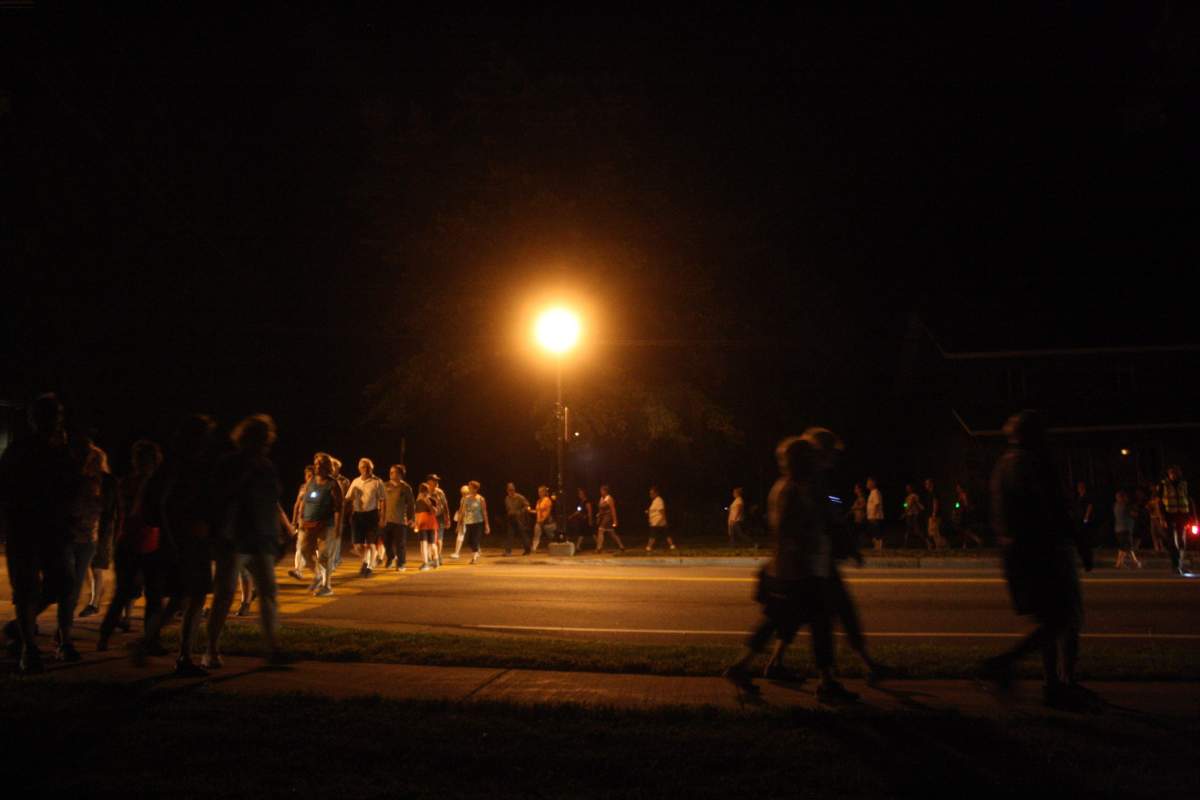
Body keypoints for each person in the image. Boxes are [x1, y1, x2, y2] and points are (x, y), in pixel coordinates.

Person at [723, 434, 857, 703]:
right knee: (818, 624)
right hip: (796, 572)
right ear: (800, 460)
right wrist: (810, 546)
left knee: (777, 622)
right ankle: (826, 683)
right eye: (809, 458)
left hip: (788, 571)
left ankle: (740, 668)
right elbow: (788, 530)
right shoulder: (791, 489)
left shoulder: (788, 486)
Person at [980, 410, 1099, 711]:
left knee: (1049, 620)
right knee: (1065, 618)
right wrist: (1079, 541)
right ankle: (1021, 668)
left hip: (1019, 554)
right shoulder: (1032, 463)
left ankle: (1053, 684)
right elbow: (1054, 505)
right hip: (1045, 551)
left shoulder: (1002, 466)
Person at [204, 414, 291, 668]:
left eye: (267, 438)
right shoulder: (229, 463)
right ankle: (210, 649)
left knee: (269, 593)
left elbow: (271, 502)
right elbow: (219, 497)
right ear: (247, 438)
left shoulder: (266, 466)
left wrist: (279, 535)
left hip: (262, 538)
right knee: (225, 594)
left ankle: (273, 649)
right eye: (261, 438)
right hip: (234, 538)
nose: (266, 443)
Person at [0, 394, 79, 672]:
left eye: (57, 415)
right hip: (25, 528)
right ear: (35, 419)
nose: (55, 421)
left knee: (63, 582)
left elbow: (72, 488)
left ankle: (20, 629)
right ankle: (28, 649)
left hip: (53, 529)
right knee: (26, 587)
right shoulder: (20, 450)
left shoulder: (62, 450)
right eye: (51, 415)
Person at [149, 414, 220, 676]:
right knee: (186, 597)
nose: (208, 441)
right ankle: (169, 650)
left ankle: (179, 653)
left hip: (195, 540)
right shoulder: (181, 465)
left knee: (189, 597)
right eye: (205, 435)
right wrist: (175, 537)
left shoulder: (193, 464)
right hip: (185, 541)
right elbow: (165, 504)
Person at [97, 439, 168, 654]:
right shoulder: (133, 484)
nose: (144, 464)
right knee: (125, 595)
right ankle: (105, 636)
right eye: (141, 460)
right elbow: (139, 512)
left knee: (152, 597)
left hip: (146, 544)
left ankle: (150, 640)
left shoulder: (139, 483)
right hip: (133, 544)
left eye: (146, 460)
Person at [79, 445, 120, 619]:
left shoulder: (108, 481)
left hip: (102, 528)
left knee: (96, 566)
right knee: (88, 565)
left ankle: (94, 602)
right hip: (85, 527)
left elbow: (112, 507)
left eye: (95, 459)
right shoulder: (84, 479)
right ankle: (92, 601)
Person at [297, 452, 343, 598]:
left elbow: (338, 508)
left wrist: (337, 527)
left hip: (326, 525)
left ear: (327, 467)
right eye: (316, 464)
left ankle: (326, 585)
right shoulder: (311, 482)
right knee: (304, 551)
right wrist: (300, 517)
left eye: (321, 464)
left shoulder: (333, 484)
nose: (317, 467)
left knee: (324, 555)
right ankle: (317, 575)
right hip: (309, 523)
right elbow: (304, 500)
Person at [346, 458, 386, 578]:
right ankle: (366, 560)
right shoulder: (355, 481)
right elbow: (348, 498)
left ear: (371, 468)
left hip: (371, 514)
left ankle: (369, 566)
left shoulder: (377, 481)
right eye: (363, 467)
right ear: (359, 468)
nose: (365, 469)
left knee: (371, 544)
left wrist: (383, 517)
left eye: (368, 467)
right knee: (358, 546)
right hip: (357, 515)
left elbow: (383, 500)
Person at [1160, 466, 1194, 574]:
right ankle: (1175, 564)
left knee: (1181, 541)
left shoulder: (1184, 484)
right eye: (1171, 473)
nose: (1173, 475)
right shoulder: (1163, 485)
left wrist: (1192, 517)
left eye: (1175, 473)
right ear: (1169, 474)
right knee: (1171, 541)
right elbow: (1159, 502)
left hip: (1182, 515)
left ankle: (1180, 564)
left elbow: (1189, 500)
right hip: (1169, 516)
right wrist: (1162, 517)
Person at [383, 464, 415, 570]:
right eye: (390, 472)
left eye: (394, 472)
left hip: (400, 520)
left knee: (400, 544)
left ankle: (401, 563)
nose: (391, 474)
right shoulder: (385, 485)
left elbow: (411, 504)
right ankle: (391, 557)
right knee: (386, 542)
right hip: (386, 519)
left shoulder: (405, 487)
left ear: (400, 474)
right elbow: (380, 501)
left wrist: (411, 518)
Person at [288, 465, 315, 581]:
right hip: (302, 521)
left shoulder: (317, 488)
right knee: (300, 546)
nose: (309, 478)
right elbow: (297, 504)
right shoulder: (303, 487)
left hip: (313, 522)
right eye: (307, 475)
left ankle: (321, 574)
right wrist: (294, 521)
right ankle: (297, 570)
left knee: (310, 549)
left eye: (311, 475)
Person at [459, 481, 490, 564]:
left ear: (475, 489)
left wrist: (487, 525)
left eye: (470, 487)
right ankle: (477, 550)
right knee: (468, 540)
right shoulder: (466, 498)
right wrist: (459, 523)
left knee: (475, 539)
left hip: (478, 522)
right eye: (469, 487)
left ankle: (474, 557)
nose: (469, 488)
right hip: (468, 522)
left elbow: (484, 512)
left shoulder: (481, 499)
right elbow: (462, 511)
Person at [1113, 490, 1141, 569]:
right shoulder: (1125, 506)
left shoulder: (1115, 505)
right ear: (1122, 497)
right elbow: (1134, 514)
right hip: (1125, 529)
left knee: (1123, 547)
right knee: (1128, 547)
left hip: (1117, 529)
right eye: (1125, 497)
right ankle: (1135, 562)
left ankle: (1119, 563)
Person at [415, 483, 440, 570]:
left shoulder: (429, 500)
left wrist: (428, 503)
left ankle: (431, 561)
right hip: (427, 524)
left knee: (428, 544)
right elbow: (417, 513)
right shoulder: (422, 501)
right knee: (427, 543)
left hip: (427, 523)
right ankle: (430, 561)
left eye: (424, 491)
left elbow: (434, 512)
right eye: (422, 491)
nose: (423, 493)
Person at [502, 482, 531, 556]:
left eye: (512, 490)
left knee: (523, 534)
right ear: (507, 490)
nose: (511, 491)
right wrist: (509, 512)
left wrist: (520, 512)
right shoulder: (507, 498)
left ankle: (527, 550)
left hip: (519, 518)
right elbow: (507, 508)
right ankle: (508, 551)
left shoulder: (519, 497)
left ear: (514, 490)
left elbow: (527, 506)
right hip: (511, 518)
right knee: (510, 534)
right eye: (509, 490)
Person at [427, 474, 450, 567]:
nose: (436, 482)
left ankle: (438, 556)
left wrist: (447, 517)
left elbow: (445, 505)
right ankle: (430, 557)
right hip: (428, 517)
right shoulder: (425, 491)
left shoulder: (440, 492)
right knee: (430, 539)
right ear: (429, 481)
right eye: (434, 480)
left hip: (439, 517)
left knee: (439, 538)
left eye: (437, 480)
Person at [645, 486, 675, 551]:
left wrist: (664, 520)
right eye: (650, 493)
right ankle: (672, 545)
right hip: (655, 521)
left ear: (656, 493)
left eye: (652, 493)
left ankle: (649, 547)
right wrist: (648, 511)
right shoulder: (655, 501)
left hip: (658, 521)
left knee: (653, 535)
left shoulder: (659, 500)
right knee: (666, 534)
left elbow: (662, 511)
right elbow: (654, 510)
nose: (650, 495)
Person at [595, 485, 624, 553]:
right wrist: (598, 516)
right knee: (612, 533)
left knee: (600, 530)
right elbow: (600, 509)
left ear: (605, 491)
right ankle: (621, 546)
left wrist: (615, 520)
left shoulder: (609, 498)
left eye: (602, 490)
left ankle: (599, 547)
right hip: (603, 516)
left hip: (608, 516)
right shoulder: (602, 498)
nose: (601, 492)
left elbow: (613, 509)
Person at [953, 482, 983, 548]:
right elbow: (957, 505)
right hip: (962, 514)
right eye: (956, 488)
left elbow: (966, 504)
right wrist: (956, 508)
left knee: (965, 530)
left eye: (958, 488)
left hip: (965, 515)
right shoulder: (959, 495)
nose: (957, 489)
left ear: (961, 488)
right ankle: (965, 545)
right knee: (964, 530)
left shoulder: (964, 495)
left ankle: (977, 540)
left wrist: (963, 508)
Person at [530, 485, 556, 552]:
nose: (539, 493)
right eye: (538, 492)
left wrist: (544, 519)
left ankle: (555, 546)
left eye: (541, 491)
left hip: (546, 522)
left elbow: (548, 511)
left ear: (544, 492)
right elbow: (538, 511)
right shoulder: (538, 501)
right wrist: (530, 511)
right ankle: (534, 548)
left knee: (550, 535)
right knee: (536, 534)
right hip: (539, 521)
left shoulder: (547, 500)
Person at [568, 487, 594, 553]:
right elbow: (578, 511)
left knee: (593, 533)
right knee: (582, 533)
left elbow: (590, 511)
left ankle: (599, 546)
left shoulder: (587, 502)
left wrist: (590, 520)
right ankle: (578, 546)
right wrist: (572, 516)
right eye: (579, 494)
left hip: (586, 520)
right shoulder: (581, 502)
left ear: (584, 494)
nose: (579, 495)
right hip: (583, 520)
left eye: (580, 494)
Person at [450, 485, 470, 559]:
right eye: (462, 493)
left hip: (465, 519)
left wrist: (459, 522)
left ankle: (456, 553)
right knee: (462, 535)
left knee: (460, 535)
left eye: (465, 493)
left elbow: (462, 511)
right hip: (467, 519)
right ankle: (477, 551)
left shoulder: (466, 499)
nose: (463, 494)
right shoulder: (464, 499)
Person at [865, 477, 884, 553]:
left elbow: (877, 504)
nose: (867, 484)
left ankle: (878, 547)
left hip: (875, 516)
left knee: (877, 532)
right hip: (872, 516)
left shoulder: (875, 492)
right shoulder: (872, 492)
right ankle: (876, 547)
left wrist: (873, 515)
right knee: (874, 531)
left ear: (873, 483)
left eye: (868, 483)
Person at [850, 483, 867, 550]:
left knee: (858, 532)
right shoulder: (858, 498)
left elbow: (863, 506)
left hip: (861, 518)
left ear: (860, 489)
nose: (855, 490)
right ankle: (858, 545)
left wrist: (855, 507)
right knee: (857, 532)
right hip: (857, 518)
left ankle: (860, 545)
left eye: (856, 488)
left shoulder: (862, 497)